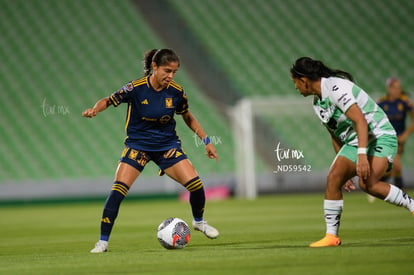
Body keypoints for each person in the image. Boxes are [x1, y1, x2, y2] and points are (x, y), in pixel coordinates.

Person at [83, 49, 219, 253]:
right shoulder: (135, 88)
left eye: (174, 72)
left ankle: (199, 222)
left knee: (197, 186)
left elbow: (187, 116)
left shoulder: (176, 92)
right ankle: (102, 242)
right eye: (167, 70)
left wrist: (206, 140)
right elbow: (108, 100)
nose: (171, 76)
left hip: (167, 147)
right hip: (138, 146)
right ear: (154, 67)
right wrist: (95, 109)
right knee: (117, 192)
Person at [290, 57, 414, 247]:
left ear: (304, 80)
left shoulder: (336, 88)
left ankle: (411, 205)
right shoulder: (317, 104)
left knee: (368, 183)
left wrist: (362, 156)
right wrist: (344, 169)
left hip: (380, 135)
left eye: (295, 82)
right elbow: (335, 135)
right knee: (334, 178)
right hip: (355, 141)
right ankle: (331, 236)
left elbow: (361, 121)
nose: (296, 87)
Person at [377, 77, 414, 189]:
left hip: (399, 139)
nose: (397, 90)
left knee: (395, 167)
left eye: (399, 88)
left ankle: (377, 184)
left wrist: (405, 135)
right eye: (395, 88)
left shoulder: (404, 101)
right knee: (394, 167)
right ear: (389, 88)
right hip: (386, 138)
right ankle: (377, 184)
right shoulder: (382, 102)